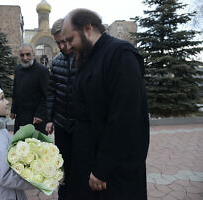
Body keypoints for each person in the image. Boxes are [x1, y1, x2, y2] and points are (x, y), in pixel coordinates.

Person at [62, 9, 150, 200]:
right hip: (89, 165)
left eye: (70, 39)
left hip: (113, 174)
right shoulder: (87, 58)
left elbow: (125, 118)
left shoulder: (121, 55)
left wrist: (102, 168)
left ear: (87, 29)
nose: (67, 46)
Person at [45, 18, 76, 200]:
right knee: (63, 166)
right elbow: (51, 94)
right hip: (62, 125)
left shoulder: (85, 58)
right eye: (58, 43)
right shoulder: (56, 62)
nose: (63, 46)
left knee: (79, 167)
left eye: (65, 41)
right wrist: (49, 119)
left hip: (80, 125)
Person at [10, 44, 49, 134]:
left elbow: (47, 95)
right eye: (22, 55)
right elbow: (16, 91)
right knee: (19, 145)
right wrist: (13, 109)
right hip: (21, 116)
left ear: (33, 54)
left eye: (28, 54)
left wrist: (40, 114)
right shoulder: (18, 69)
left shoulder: (42, 71)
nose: (25, 58)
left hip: (36, 118)